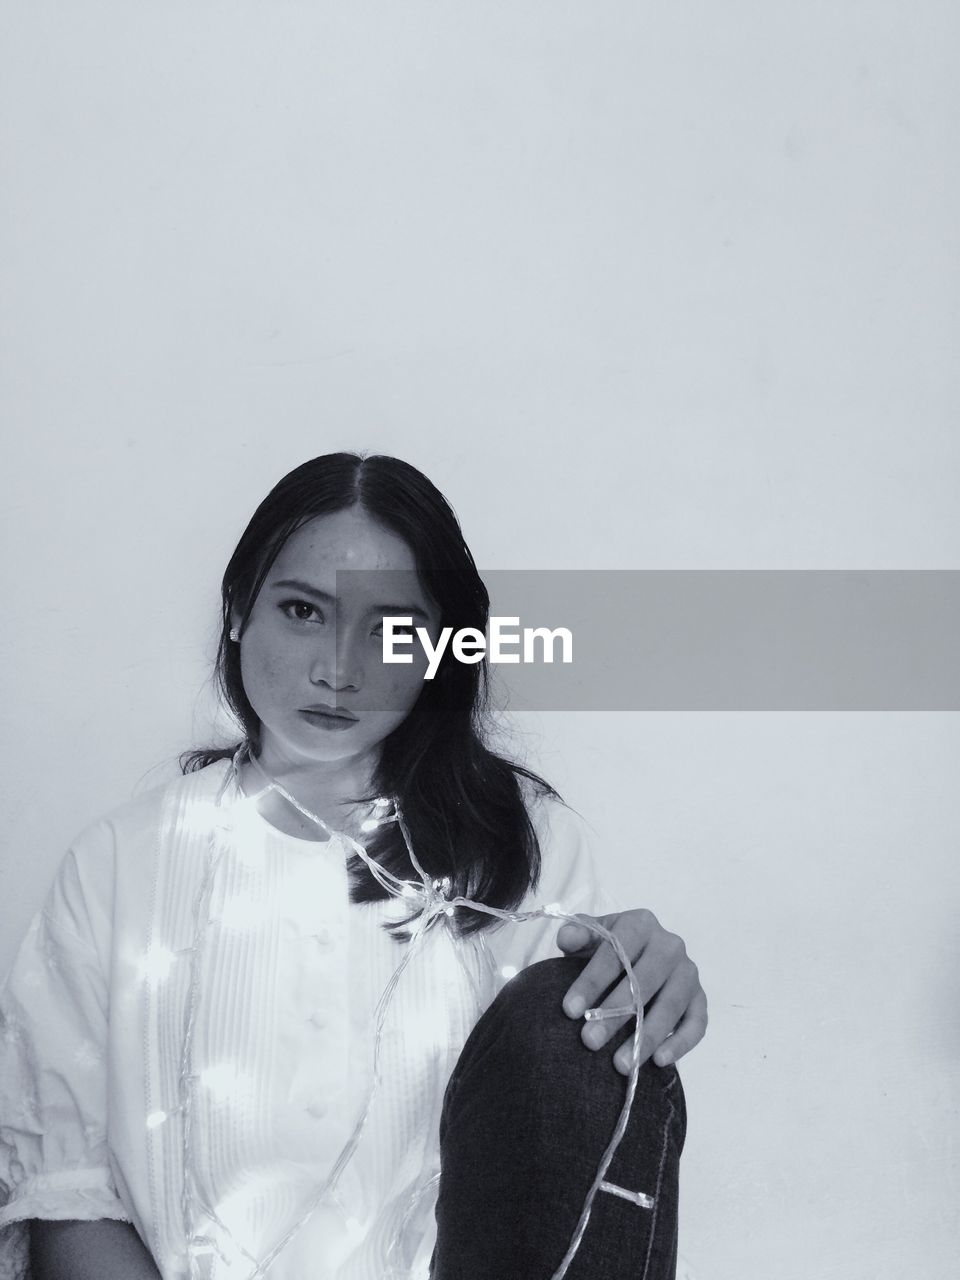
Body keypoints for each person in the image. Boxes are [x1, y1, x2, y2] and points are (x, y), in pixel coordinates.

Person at [0, 453, 706, 1280]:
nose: (339, 668)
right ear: (237, 611)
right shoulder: (118, 866)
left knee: (578, 1013)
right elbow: (70, 1200)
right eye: (303, 610)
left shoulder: (525, 847)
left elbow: (567, 1142)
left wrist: (640, 977)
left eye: (390, 630)